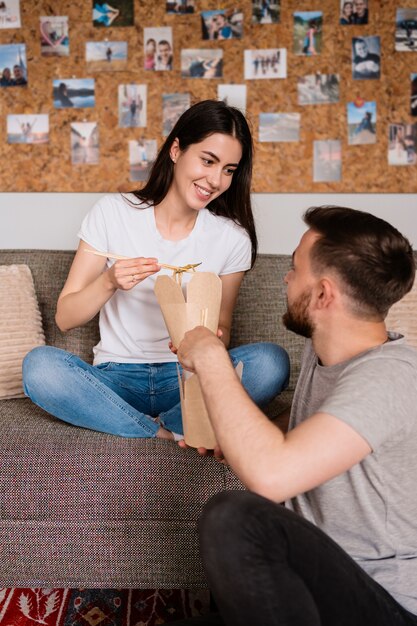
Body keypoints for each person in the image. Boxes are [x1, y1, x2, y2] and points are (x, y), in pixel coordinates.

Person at [171, 205, 417, 625]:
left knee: (235, 516)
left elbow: (272, 477)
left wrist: (212, 356)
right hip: (313, 587)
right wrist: (244, 437)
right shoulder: (326, 353)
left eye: (293, 268)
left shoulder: (389, 375)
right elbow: (318, 431)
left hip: (384, 602)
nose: (285, 278)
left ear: (323, 295)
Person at [22, 100, 290, 442]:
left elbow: (222, 327)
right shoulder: (113, 213)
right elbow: (65, 317)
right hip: (115, 379)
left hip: (188, 377)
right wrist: (109, 281)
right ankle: (164, 431)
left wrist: (207, 338)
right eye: (208, 161)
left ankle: (164, 420)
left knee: (271, 362)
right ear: (177, 150)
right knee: (39, 367)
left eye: (228, 169)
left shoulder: (231, 238)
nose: (215, 180)